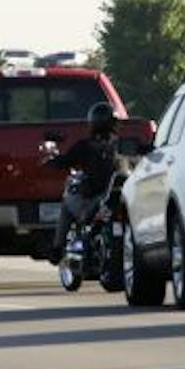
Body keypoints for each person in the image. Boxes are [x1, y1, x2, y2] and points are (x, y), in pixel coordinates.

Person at [46, 102, 120, 259]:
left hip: (96, 200)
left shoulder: (84, 146)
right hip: (119, 196)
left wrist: (51, 160)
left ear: (92, 122)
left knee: (67, 203)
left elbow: (64, 161)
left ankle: (57, 248)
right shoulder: (121, 145)